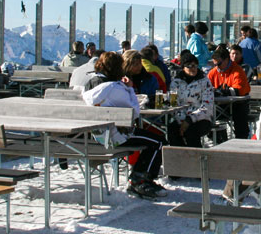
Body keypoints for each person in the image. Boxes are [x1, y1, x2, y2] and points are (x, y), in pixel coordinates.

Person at [81, 51, 165, 199]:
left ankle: (141, 177)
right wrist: (130, 88)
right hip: (118, 135)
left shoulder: (89, 84)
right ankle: (140, 179)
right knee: (159, 142)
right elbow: (135, 112)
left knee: (152, 140)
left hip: (95, 136)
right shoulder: (114, 88)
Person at [167, 52, 215, 148]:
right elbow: (173, 104)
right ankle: (179, 157)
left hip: (201, 118)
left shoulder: (204, 82)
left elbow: (207, 106)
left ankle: (196, 158)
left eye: (195, 65)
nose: (193, 68)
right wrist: (181, 121)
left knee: (191, 131)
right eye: (189, 66)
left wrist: (189, 120)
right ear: (183, 67)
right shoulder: (176, 82)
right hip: (180, 118)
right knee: (172, 130)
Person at [207, 45, 250, 139]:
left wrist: (220, 92)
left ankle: (241, 141)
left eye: (218, 64)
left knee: (240, 114)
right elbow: (206, 88)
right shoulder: (213, 72)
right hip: (219, 106)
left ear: (226, 60)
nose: (216, 67)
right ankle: (219, 139)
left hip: (237, 104)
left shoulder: (237, 71)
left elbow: (239, 90)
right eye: (214, 64)